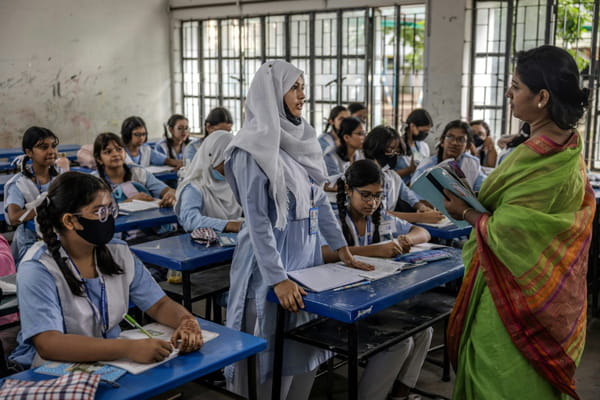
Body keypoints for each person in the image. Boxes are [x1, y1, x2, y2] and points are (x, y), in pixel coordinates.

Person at [444, 45, 593, 400]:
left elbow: (509, 230)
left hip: (509, 297)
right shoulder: (571, 146)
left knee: (499, 380)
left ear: (542, 97)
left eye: (515, 86)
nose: (508, 94)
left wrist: (466, 213)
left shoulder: (536, 156)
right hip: (545, 295)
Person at [223, 60, 371, 400]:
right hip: (267, 271)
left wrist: (343, 249)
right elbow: (258, 221)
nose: (302, 95)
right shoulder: (251, 149)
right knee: (263, 365)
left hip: (303, 268)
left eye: (303, 87)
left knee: (300, 358)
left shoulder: (300, 141)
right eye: (294, 88)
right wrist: (277, 278)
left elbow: (319, 202)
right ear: (272, 93)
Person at [9, 172, 203, 368]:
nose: (108, 218)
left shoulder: (117, 252)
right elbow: (49, 344)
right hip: (52, 368)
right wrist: (127, 348)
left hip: (107, 360)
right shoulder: (37, 268)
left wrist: (187, 321)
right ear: (69, 221)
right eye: (100, 212)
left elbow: (159, 305)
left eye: (110, 209)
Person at [321, 159, 431, 400]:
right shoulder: (331, 218)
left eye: (379, 196)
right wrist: (376, 250)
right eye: (366, 195)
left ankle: (400, 394)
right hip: (342, 304)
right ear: (348, 190)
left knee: (425, 329)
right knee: (401, 343)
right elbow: (322, 252)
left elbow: (423, 232)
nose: (373, 202)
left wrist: (407, 241)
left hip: (377, 299)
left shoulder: (381, 217)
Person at [3, 127, 64, 262]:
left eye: (53, 146)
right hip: (31, 241)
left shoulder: (61, 176)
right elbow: (14, 218)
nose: (51, 151)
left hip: (60, 236)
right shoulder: (20, 183)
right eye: (43, 147)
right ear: (29, 152)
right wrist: (43, 207)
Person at [362, 126, 443, 224]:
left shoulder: (392, 175)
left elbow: (408, 196)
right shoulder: (364, 175)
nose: (394, 154)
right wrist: (420, 217)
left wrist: (422, 207)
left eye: (397, 151)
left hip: (389, 227)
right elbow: (378, 215)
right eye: (390, 149)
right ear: (375, 147)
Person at [175, 130, 243, 233]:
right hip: (203, 245)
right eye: (226, 162)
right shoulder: (194, 187)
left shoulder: (233, 184)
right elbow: (190, 220)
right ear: (212, 159)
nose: (231, 168)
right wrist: (228, 225)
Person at [93, 133, 176, 207]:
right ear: (98, 159)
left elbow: (166, 189)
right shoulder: (94, 181)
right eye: (108, 152)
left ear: (125, 153)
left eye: (119, 149)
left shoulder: (138, 172)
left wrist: (170, 194)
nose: (115, 154)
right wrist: (130, 202)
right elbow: (95, 210)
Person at [411, 120, 486, 192]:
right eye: (450, 137)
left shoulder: (471, 164)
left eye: (461, 139)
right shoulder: (427, 165)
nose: (454, 143)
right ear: (442, 141)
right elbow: (415, 190)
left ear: (468, 146)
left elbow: (482, 188)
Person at [395, 109, 433, 184]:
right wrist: (409, 170)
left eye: (427, 132)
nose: (425, 134)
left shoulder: (423, 146)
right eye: (423, 131)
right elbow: (386, 175)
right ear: (412, 126)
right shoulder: (396, 146)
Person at [318, 106, 350, 176]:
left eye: (348, 119)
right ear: (332, 121)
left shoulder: (349, 139)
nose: (345, 122)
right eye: (341, 119)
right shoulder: (323, 142)